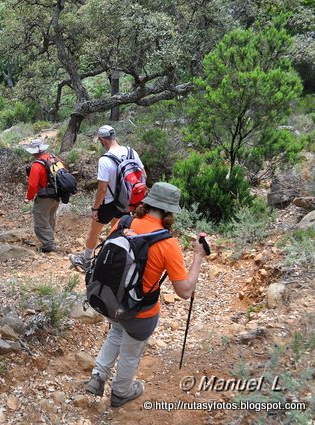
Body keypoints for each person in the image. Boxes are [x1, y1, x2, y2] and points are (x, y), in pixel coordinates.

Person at [85, 182, 208, 407]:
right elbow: (184, 291)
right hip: (141, 312)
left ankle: (98, 375)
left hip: (112, 301)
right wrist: (198, 256)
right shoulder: (168, 243)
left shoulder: (123, 222)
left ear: (148, 203)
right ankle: (121, 392)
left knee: (117, 331)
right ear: (170, 211)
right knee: (130, 352)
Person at [69, 125, 145, 271]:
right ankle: (115, 259)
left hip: (109, 203)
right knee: (117, 229)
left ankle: (86, 260)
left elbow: (102, 189)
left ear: (102, 140)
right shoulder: (131, 152)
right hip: (127, 201)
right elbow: (143, 175)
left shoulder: (105, 160)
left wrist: (95, 208)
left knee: (94, 231)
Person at [24, 139, 62, 253]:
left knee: (40, 222)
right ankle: (50, 240)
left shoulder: (37, 165)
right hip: (57, 195)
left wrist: (29, 197)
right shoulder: (55, 159)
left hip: (44, 197)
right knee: (50, 218)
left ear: (34, 152)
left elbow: (32, 185)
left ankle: (48, 244)